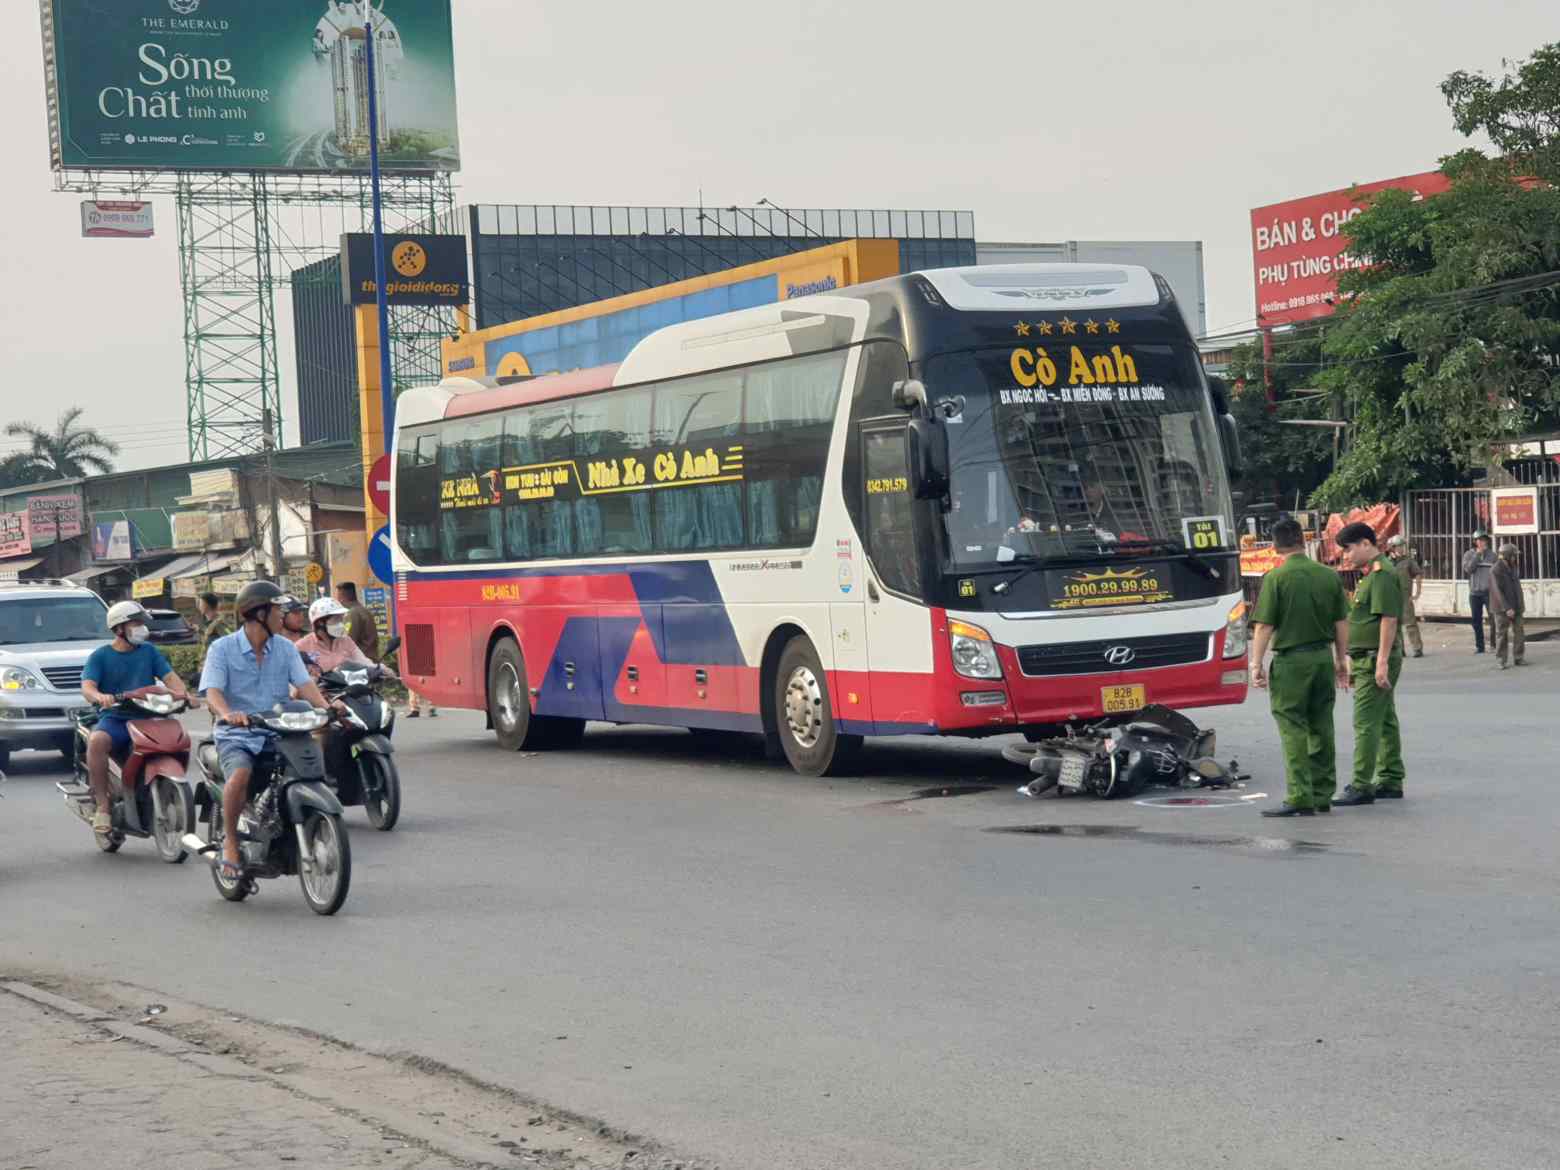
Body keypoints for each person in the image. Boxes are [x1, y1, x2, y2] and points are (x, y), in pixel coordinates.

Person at [199, 581, 342, 878]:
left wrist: (327, 707)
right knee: (240, 774)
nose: (283, 616)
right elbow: (212, 692)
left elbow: (305, 685)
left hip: (280, 730)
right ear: (258, 613)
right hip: (238, 734)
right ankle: (230, 843)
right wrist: (228, 714)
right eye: (278, 610)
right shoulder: (222, 648)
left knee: (309, 765)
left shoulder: (286, 648)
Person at [1248, 518, 1351, 817]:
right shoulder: (1328, 576)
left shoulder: (1276, 578)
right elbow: (1341, 622)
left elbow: (1264, 626)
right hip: (1322, 657)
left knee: (1292, 726)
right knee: (1322, 724)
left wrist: (1256, 664)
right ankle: (1322, 794)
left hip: (1292, 661)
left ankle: (1300, 795)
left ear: (1274, 545)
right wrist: (1341, 659)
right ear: (1303, 541)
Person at [79, 602, 194, 837]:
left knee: (178, 738)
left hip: (151, 716)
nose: (142, 627)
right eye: (136, 623)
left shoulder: (149, 651)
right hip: (116, 718)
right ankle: (103, 806)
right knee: (97, 741)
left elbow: (170, 678)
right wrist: (100, 697)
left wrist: (184, 694)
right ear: (119, 628)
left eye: (142, 622)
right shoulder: (100, 656)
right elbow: (88, 687)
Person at [1334, 522, 1405, 805]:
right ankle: (1390, 779)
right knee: (1384, 718)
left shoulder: (1382, 574)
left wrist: (1382, 662)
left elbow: (1389, 619)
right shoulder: (1371, 574)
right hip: (1368, 656)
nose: (1346, 556)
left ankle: (1361, 785)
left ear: (1365, 543)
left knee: (1365, 721)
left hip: (1375, 657)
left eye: (1348, 549)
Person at [295, 598, 376, 676]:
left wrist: (379, 669)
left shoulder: (345, 640)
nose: (341, 624)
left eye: (341, 619)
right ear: (320, 622)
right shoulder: (301, 646)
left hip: (349, 684)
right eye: (336, 619)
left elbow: (363, 661)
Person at [1490, 543, 1527, 670]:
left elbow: (1516, 587)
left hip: (1516, 606)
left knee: (1519, 632)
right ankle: (1501, 659)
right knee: (1502, 634)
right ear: (1507, 556)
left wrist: (1520, 605)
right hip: (1502, 608)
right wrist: (1507, 608)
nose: (1515, 558)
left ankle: (1518, 657)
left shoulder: (1513, 567)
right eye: (1513, 556)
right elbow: (1497, 591)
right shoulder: (1495, 569)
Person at [1386, 535, 1424, 658]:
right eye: (1399, 546)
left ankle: (1417, 648)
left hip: (1405, 596)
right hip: (1391, 597)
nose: (1401, 548)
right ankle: (1399, 649)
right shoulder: (1387, 562)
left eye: (1402, 546)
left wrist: (1417, 592)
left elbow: (1417, 574)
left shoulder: (1408, 561)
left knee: (1410, 623)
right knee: (1395, 625)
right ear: (1392, 548)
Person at [1462, 533, 1497, 654]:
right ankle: (1480, 646)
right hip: (1475, 593)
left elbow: (1497, 573)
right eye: (1478, 540)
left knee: (1494, 619)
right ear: (1475, 542)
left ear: (1487, 541)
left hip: (1489, 592)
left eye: (1483, 540)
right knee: (1476, 621)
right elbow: (1468, 569)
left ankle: (1494, 645)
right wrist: (1477, 555)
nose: (1481, 542)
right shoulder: (1468, 554)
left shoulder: (1492, 556)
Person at [335, 582, 378, 658]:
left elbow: (347, 640)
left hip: (359, 660)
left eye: (337, 598)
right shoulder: (364, 610)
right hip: (369, 657)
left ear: (342, 598)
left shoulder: (351, 614)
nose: (337, 601)